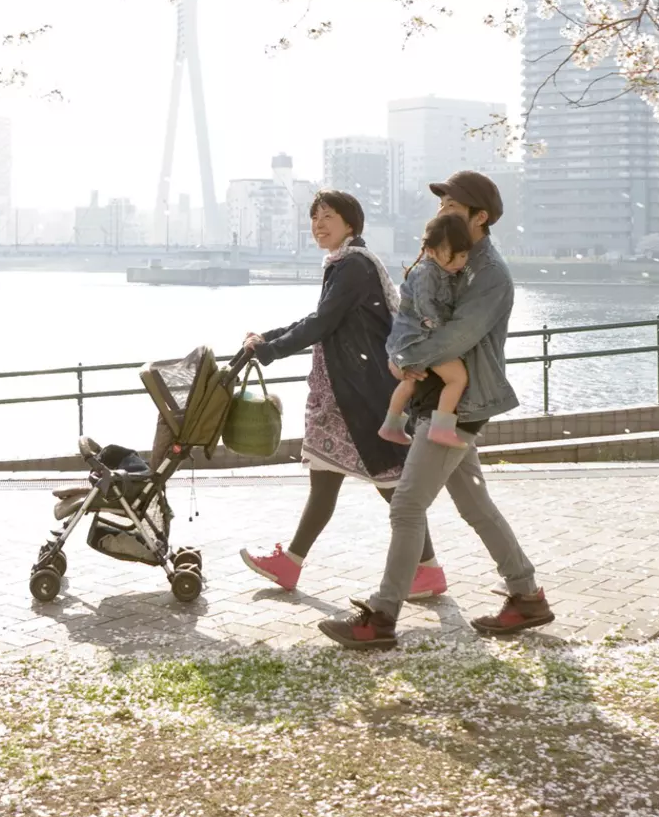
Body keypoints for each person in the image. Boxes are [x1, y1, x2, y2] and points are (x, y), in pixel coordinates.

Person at [318, 170, 553, 651]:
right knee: (475, 506)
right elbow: (414, 311)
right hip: (439, 396)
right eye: (442, 203)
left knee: (406, 505)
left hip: (462, 402)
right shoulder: (444, 255)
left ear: (480, 217)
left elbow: (456, 338)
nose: (443, 210)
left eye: (452, 205)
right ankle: (527, 596)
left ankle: (381, 617)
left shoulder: (489, 275)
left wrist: (402, 358)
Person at [237, 189, 446, 599]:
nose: (318, 225)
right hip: (344, 392)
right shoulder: (344, 264)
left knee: (390, 482)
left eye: (328, 216)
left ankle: (428, 569)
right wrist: (270, 337)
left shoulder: (353, 266)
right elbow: (320, 318)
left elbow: (323, 322)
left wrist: (271, 350)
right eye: (314, 218)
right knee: (327, 480)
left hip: (361, 394)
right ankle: (291, 564)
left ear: (350, 224)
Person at [377, 211, 473, 449]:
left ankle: (391, 425)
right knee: (457, 378)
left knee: (410, 382)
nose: (461, 261)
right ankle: (441, 429)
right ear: (432, 250)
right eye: (456, 255)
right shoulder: (427, 272)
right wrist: (443, 331)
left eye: (464, 255)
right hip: (419, 339)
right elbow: (424, 305)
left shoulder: (439, 269)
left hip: (409, 341)